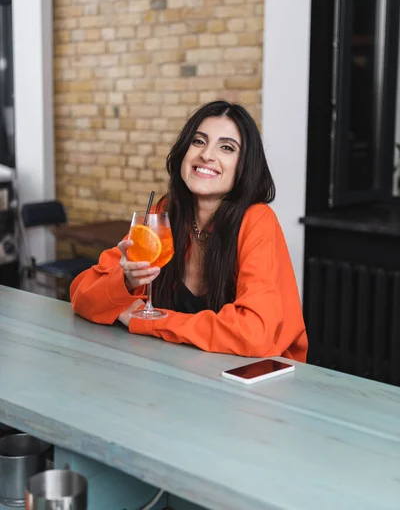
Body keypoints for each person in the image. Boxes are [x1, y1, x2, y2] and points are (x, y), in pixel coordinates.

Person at [71, 100, 308, 360]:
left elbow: (254, 333)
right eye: (198, 141)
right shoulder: (165, 214)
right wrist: (125, 281)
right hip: (180, 369)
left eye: (227, 147)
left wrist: (148, 321)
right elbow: (82, 296)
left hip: (255, 380)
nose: (206, 155)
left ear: (244, 166)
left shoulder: (257, 220)